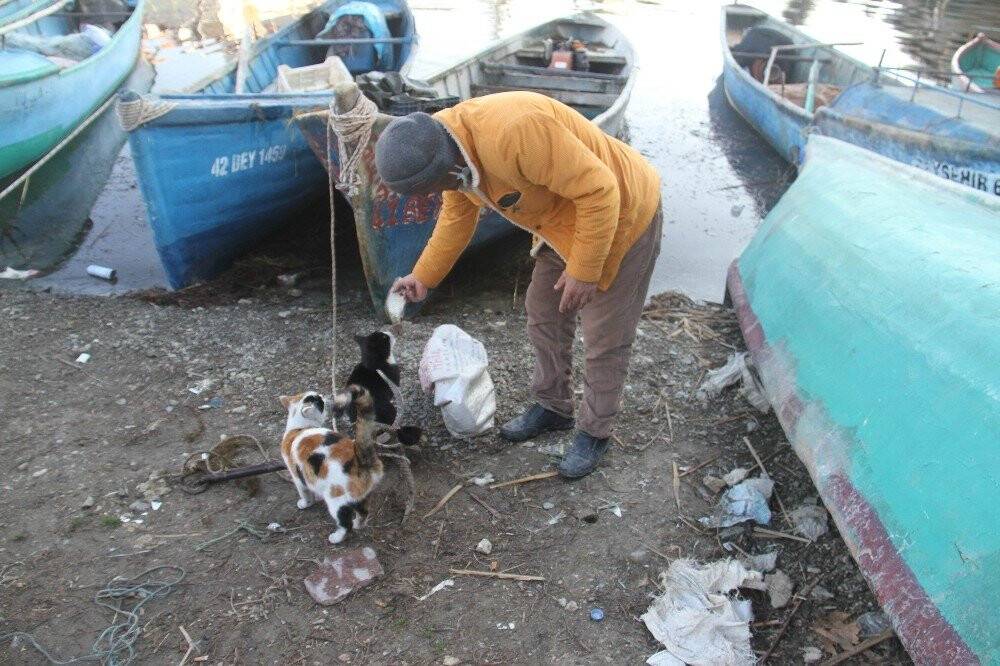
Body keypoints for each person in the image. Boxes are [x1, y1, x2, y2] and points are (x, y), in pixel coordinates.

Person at [374, 91, 662, 479]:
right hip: (560, 221)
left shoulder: (516, 133)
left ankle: (595, 432)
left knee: (604, 336)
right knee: (543, 312)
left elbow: (601, 192)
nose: (431, 197)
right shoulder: (449, 151)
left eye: (427, 190)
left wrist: (585, 270)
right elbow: (457, 216)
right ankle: (554, 406)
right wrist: (423, 277)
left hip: (621, 213)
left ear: (443, 166)